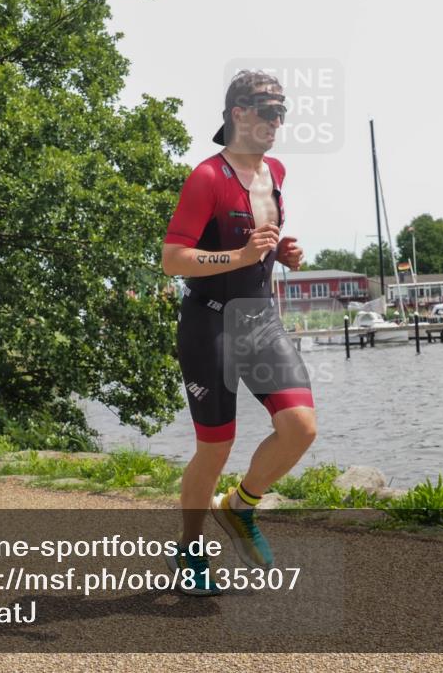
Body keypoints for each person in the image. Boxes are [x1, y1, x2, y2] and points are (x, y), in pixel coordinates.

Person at [160, 70, 316, 595]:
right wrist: (241, 256)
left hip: (259, 319)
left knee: (300, 427)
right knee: (215, 448)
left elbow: (257, 244)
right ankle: (189, 549)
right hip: (209, 323)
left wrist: (283, 253)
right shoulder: (207, 177)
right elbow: (173, 259)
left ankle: (240, 506)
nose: (277, 122)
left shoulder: (276, 172)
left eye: (282, 112)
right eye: (268, 112)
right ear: (238, 114)